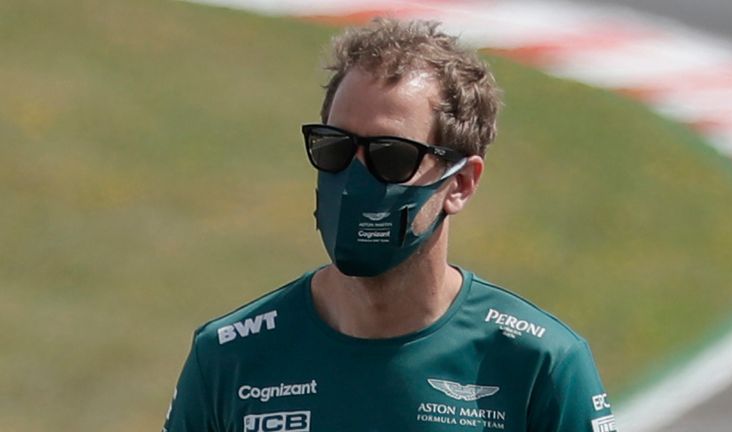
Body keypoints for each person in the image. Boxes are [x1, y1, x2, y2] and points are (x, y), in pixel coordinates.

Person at [163, 18, 616, 432]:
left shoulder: (540, 365)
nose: (354, 179)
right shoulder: (228, 357)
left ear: (459, 183)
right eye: (334, 148)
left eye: (391, 156)